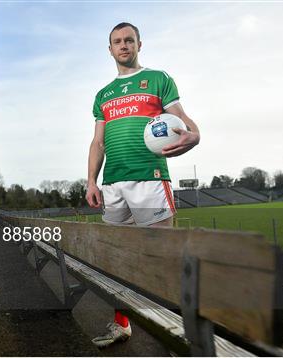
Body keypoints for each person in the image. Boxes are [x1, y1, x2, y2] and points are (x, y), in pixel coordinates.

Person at [86, 22, 200, 349]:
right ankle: (121, 324)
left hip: (149, 180)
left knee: (164, 258)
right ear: (109, 49)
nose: (123, 45)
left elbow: (182, 118)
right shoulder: (103, 95)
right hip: (112, 186)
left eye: (129, 40)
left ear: (139, 44)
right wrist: (91, 180)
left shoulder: (159, 79)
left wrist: (195, 134)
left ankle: (183, 334)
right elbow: (98, 142)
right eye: (117, 41)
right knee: (117, 261)